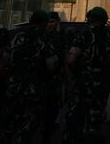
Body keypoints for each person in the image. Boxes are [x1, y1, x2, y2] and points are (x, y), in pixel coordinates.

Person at [63, 6, 110, 144]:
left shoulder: (84, 34)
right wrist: (108, 71)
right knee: (95, 118)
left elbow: (71, 60)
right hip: (101, 85)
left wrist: (75, 74)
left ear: (90, 19)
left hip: (83, 83)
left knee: (76, 116)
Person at [0, 10, 53, 144]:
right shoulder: (46, 38)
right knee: (27, 126)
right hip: (33, 90)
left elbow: (5, 59)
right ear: (45, 23)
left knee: (9, 123)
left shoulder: (15, 35)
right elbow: (51, 65)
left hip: (13, 86)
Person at [43, 11, 65, 144]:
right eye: (48, 22)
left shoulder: (57, 38)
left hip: (51, 83)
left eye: (52, 22)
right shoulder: (47, 38)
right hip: (45, 82)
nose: (50, 25)